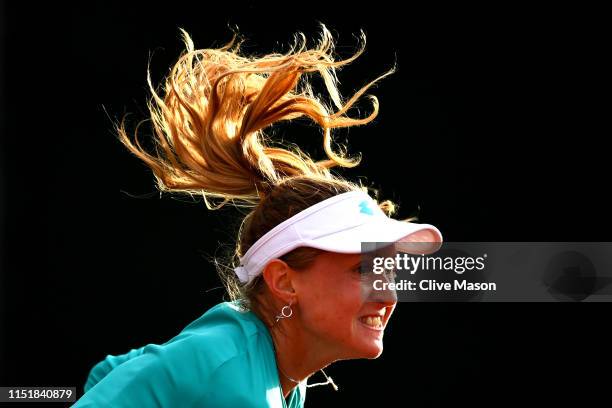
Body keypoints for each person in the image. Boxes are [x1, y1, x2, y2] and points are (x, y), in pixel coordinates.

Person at [73, 23, 443, 407]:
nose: (388, 293)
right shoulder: (238, 382)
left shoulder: (252, 352)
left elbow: (108, 372)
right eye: (363, 271)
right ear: (284, 281)